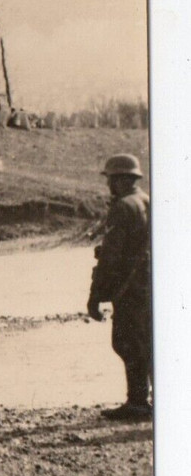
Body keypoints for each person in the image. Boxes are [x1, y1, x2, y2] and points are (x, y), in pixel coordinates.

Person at [87, 153, 152, 420]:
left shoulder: (123, 207)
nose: (108, 186)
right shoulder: (147, 200)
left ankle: (137, 402)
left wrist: (96, 296)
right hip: (149, 285)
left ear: (121, 180)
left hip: (130, 289)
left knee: (126, 342)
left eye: (111, 180)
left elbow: (112, 259)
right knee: (148, 341)